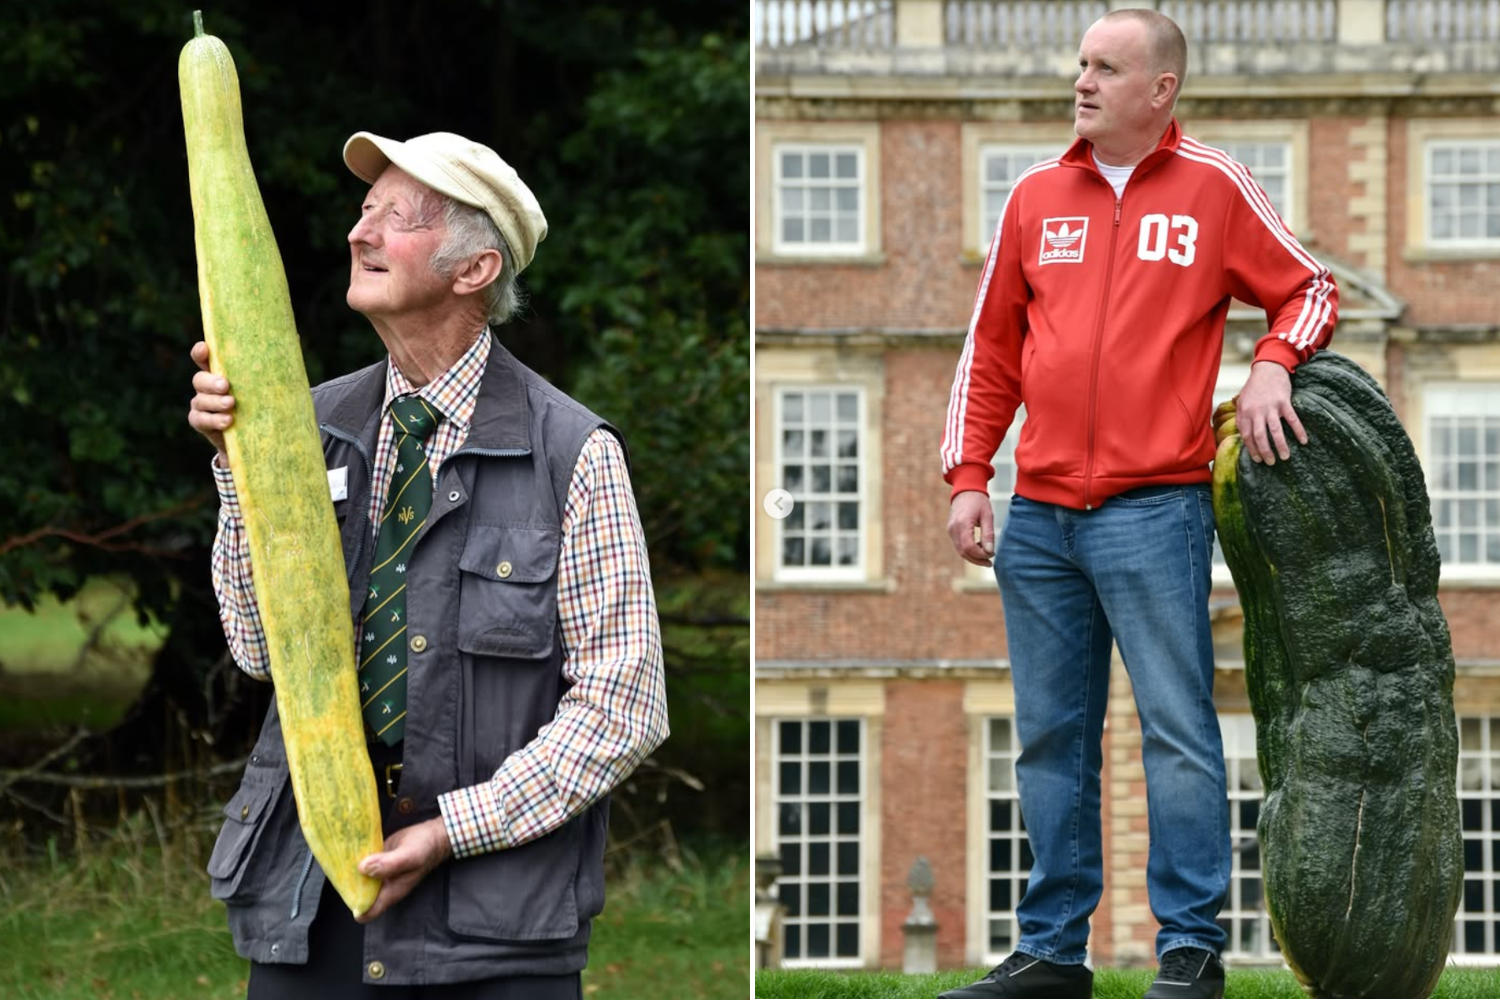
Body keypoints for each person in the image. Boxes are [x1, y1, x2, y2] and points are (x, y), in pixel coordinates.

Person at [188, 131, 669, 999]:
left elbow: (623, 707)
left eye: (393, 218)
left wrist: (452, 829)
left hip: (494, 928)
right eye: (362, 212)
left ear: (474, 270)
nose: (357, 234)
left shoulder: (572, 452)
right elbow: (262, 653)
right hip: (311, 896)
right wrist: (237, 468)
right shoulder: (307, 423)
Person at [939, 9, 1336, 1000]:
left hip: (1156, 511)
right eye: (1081, 64)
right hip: (1038, 518)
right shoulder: (1034, 195)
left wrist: (1272, 365)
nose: (1083, 81)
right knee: (1048, 737)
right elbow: (990, 348)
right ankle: (1049, 954)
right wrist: (968, 476)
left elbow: (1311, 290)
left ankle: (1191, 950)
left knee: (1177, 730)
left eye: (1107, 68)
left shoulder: (1214, 188)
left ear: (1160, 89)